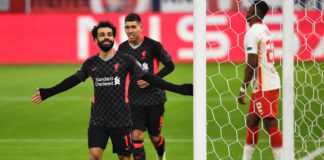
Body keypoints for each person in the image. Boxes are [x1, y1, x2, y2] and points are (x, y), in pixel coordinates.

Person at [32, 21, 192, 160]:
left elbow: (150, 77)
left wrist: (179, 89)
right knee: (94, 155)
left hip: (121, 119)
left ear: (113, 37)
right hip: (97, 119)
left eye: (109, 34)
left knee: (125, 157)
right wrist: (48, 93)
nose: (106, 37)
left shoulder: (126, 60)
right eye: (102, 35)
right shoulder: (90, 63)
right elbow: (72, 81)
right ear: (95, 39)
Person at [118, 13, 175, 160]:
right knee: (136, 135)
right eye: (127, 27)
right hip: (134, 100)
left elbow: (170, 66)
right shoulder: (122, 48)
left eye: (133, 27)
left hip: (155, 98)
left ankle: (161, 154)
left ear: (141, 27)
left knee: (155, 137)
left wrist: (152, 80)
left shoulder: (153, 46)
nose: (130, 30)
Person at [237, 1, 283, 160]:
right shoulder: (264, 29)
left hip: (265, 85)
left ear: (255, 12)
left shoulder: (252, 32)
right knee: (252, 121)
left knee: (270, 123)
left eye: (250, 7)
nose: (247, 9)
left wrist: (243, 88)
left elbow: (251, 63)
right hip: (265, 83)